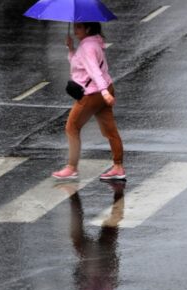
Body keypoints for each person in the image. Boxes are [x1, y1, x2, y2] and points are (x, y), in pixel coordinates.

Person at [52, 22, 126, 181]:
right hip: (104, 88)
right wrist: (71, 49)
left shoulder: (87, 47)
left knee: (72, 126)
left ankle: (71, 167)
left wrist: (104, 93)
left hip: (94, 93)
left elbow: (94, 71)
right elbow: (79, 66)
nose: (75, 29)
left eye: (79, 27)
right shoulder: (93, 42)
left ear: (88, 28)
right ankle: (118, 167)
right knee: (110, 130)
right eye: (75, 26)